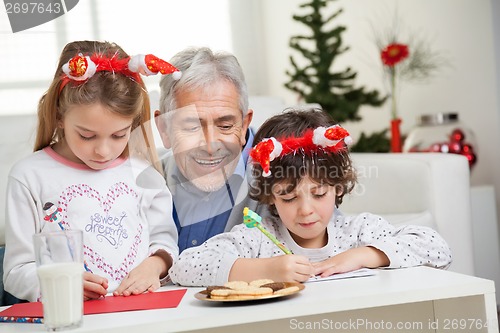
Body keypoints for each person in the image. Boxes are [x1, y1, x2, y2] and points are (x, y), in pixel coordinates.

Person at [168, 108, 452, 286]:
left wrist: (362, 255)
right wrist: (267, 268)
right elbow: (183, 267)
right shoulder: (257, 239)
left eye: (319, 193)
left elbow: (438, 249)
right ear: (270, 196)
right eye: (288, 197)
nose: (306, 210)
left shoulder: (358, 232)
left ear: (338, 186)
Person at [3, 40, 179, 302]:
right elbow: (16, 272)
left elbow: (164, 242)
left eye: (119, 135)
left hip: (145, 312)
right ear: (60, 117)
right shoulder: (29, 176)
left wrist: (154, 265)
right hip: (73, 317)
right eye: (87, 136)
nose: (104, 151)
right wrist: (64, 283)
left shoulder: (145, 175)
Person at [155, 47, 259, 253]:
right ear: (164, 129)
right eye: (192, 127)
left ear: (244, 125)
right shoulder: (140, 178)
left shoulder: (282, 178)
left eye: (226, 126)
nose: (210, 145)